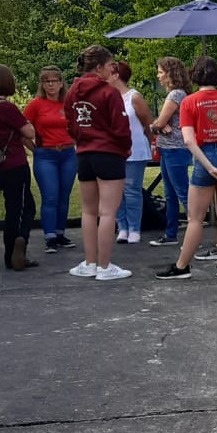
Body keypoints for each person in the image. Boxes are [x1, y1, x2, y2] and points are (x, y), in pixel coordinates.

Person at [157, 57, 217, 280]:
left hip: (204, 155)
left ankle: (182, 266)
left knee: (195, 218)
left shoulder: (189, 102)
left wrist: (209, 167)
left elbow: (188, 140)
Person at [62, 45, 132, 282]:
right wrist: (125, 149)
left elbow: (70, 124)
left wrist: (82, 139)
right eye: (110, 65)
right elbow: (121, 128)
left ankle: (90, 262)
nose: (113, 70)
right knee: (108, 212)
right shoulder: (109, 92)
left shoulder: (72, 92)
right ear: (100, 67)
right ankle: (104, 266)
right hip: (109, 153)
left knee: (88, 211)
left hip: (84, 153)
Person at [0, 65, 38, 271]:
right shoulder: (7, 108)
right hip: (15, 163)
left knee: (12, 207)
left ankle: (10, 255)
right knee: (25, 208)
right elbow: (29, 132)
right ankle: (19, 243)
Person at [23, 66, 77, 253]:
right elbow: (21, 130)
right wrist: (35, 150)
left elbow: (79, 125)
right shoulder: (35, 105)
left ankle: (60, 233)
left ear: (61, 83)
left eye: (54, 81)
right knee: (50, 196)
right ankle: (50, 236)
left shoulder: (69, 104)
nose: (51, 85)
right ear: (42, 84)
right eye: (47, 81)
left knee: (64, 196)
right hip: (46, 155)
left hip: (68, 154)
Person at [148, 56, 193, 247]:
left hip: (174, 148)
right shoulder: (180, 94)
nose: (158, 76)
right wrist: (160, 125)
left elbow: (160, 122)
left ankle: (192, 234)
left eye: (160, 72)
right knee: (171, 193)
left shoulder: (175, 95)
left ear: (170, 74)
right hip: (169, 148)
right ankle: (171, 233)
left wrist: (155, 126)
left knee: (182, 192)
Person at [109, 60, 154, 245]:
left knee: (131, 190)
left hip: (135, 150)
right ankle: (122, 226)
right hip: (113, 151)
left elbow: (148, 123)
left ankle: (134, 228)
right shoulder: (108, 97)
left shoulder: (133, 97)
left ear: (116, 75)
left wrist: (148, 143)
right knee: (115, 191)